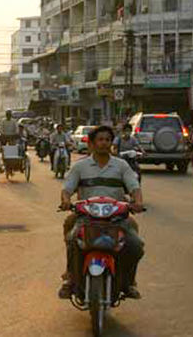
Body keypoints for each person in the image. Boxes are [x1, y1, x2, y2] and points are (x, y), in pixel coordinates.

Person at [59, 126, 145, 299]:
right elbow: (67, 189)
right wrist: (66, 201)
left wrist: (138, 202)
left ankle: (128, 282)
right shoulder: (80, 166)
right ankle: (71, 278)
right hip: (86, 218)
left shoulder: (121, 165)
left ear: (111, 143)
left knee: (135, 245)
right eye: (100, 139)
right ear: (91, 144)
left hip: (117, 219)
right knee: (72, 240)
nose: (104, 143)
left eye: (107, 139)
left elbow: (134, 188)